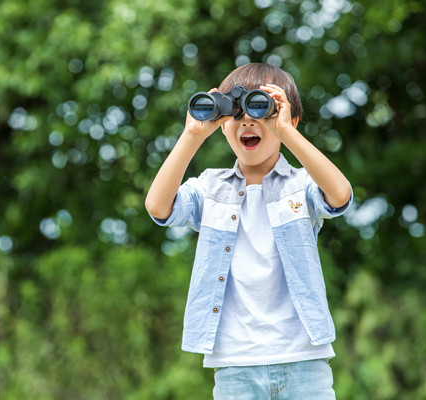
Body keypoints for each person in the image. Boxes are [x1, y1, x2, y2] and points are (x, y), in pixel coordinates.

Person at [145, 63, 352, 399]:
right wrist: (193, 134)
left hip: (303, 358)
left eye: (261, 109)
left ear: (290, 119)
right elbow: (158, 207)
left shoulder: (300, 185)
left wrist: (286, 132)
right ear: (224, 125)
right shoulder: (211, 187)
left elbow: (340, 194)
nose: (248, 121)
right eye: (235, 113)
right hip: (235, 362)